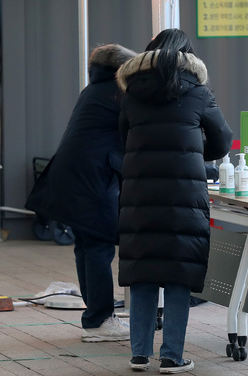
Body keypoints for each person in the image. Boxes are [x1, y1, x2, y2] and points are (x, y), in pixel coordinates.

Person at [116, 29, 233, 373]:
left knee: (143, 271)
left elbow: (124, 139)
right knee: (180, 274)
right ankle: (171, 356)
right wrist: (198, 152)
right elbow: (223, 141)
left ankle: (139, 354)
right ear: (188, 57)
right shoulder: (198, 92)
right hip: (184, 195)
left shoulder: (131, 93)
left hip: (139, 194)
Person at [25, 43, 137, 342]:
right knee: (98, 247)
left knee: (87, 247)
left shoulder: (93, 91)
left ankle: (96, 318)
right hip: (92, 181)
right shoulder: (118, 95)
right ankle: (100, 320)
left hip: (71, 178)